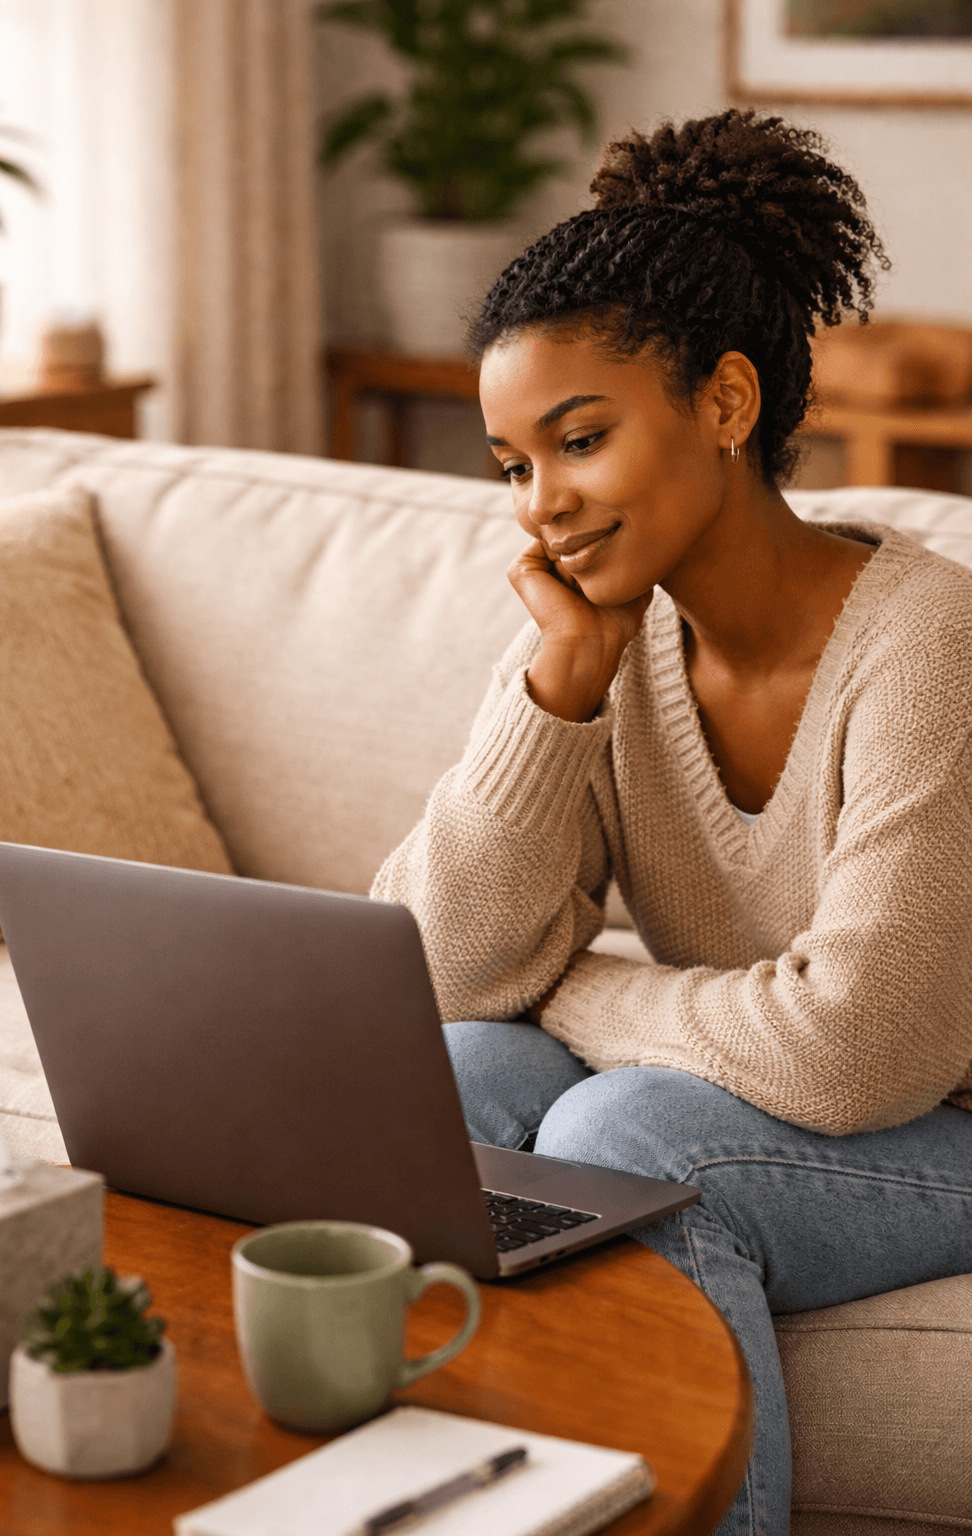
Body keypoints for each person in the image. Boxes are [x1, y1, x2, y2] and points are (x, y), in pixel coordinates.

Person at [372, 109, 972, 1536]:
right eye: (513, 465)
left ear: (723, 402)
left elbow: (863, 1045)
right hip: (783, 1080)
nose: (543, 511)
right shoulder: (600, 633)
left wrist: (580, 983)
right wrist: (555, 693)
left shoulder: (935, 644)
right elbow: (423, 979)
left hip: (943, 1117)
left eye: (581, 441)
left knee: (637, 1139)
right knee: (440, 1085)